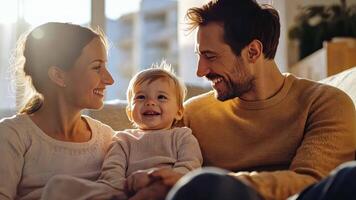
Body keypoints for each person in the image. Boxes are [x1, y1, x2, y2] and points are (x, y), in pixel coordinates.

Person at [129, 0, 356, 200]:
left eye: (210, 56)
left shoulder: (325, 103)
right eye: (200, 56)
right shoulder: (190, 116)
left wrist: (223, 183)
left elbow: (311, 181)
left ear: (253, 52)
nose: (200, 71)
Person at [40, 63, 203, 199]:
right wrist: (122, 187)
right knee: (60, 185)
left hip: (169, 189)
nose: (150, 102)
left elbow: (190, 166)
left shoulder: (182, 136)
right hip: (124, 191)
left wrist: (159, 179)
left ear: (179, 111)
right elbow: (112, 170)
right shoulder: (123, 139)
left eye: (161, 97)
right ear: (129, 111)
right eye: (141, 97)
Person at [0, 22, 115, 199]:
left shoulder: (107, 139)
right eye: (96, 67)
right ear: (58, 76)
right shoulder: (12, 136)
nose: (109, 79)